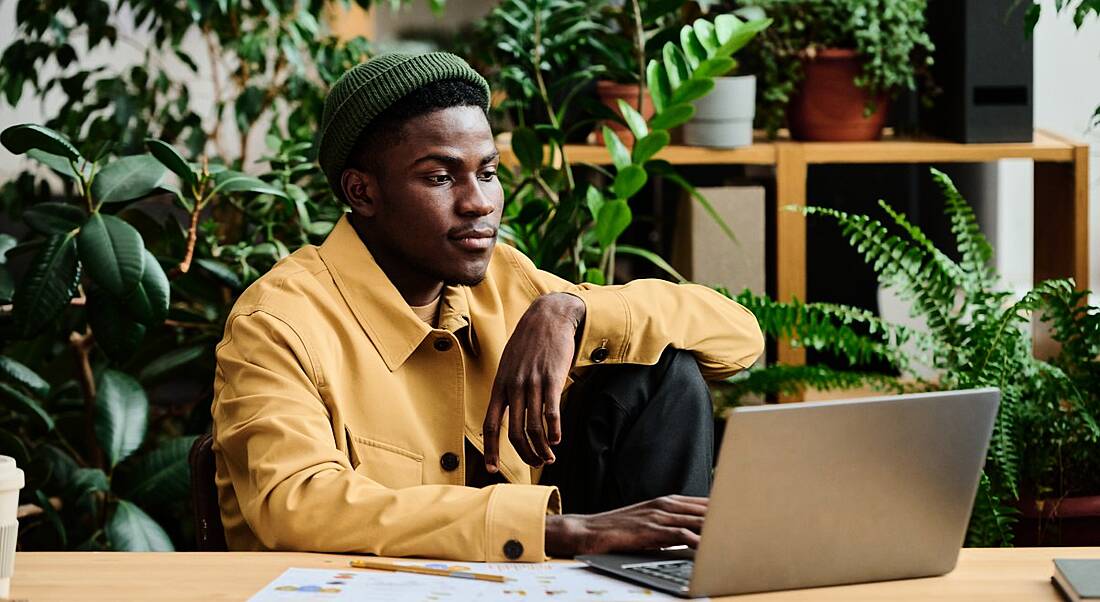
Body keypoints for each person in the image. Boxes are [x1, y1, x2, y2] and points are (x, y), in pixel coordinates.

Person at [211, 52, 764, 562]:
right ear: (362, 192)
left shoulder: (509, 282)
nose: (479, 202)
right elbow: (298, 504)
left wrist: (569, 310)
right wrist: (565, 530)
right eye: (441, 177)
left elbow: (739, 339)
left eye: (489, 173)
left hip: (516, 589)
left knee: (664, 374)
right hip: (358, 592)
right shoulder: (277, 323)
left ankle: (667, 578)